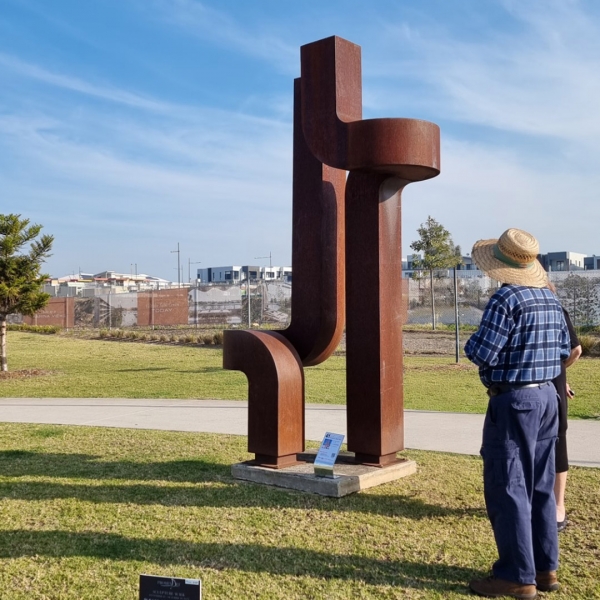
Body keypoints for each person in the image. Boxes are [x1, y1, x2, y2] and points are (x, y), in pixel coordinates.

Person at [464, 228, 570, 599]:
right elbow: (562, 349)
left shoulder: (506, 299)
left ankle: (515, 575)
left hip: (513, 402)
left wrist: (473, 341)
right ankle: (545, 569)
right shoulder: (549, 298)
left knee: (507, 486)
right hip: (547, 397)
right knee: (541, 486)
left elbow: (481, 352)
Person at [547, 282, 582, 531]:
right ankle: (556, 506)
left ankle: (558, 505)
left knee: (556, 440)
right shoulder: (554, 306)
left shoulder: (555, 308)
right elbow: (575, 350)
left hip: (530, 382)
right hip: (551, 381)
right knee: (556, 439)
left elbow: (575, 349)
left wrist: (559, 372)